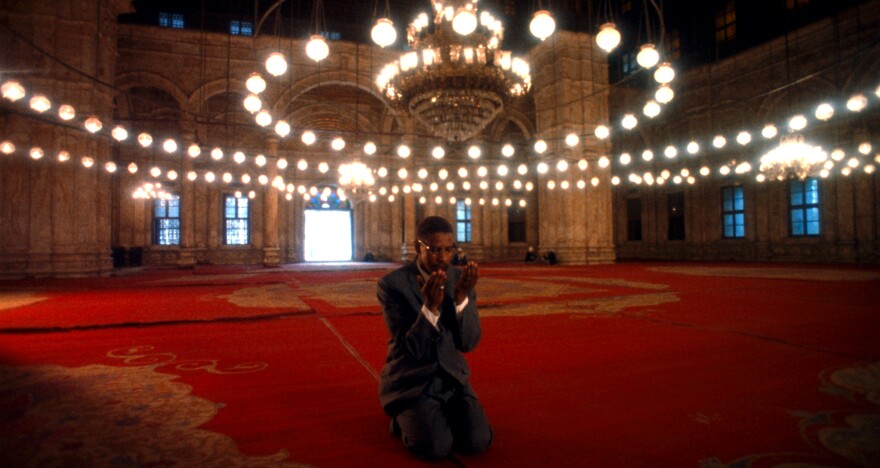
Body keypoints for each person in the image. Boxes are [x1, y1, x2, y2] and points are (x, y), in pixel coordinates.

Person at [377, 216, 492, 460]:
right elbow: (412, 349)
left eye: (448, 250)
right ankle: (402, 417)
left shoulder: (458, 279)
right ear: (418, 247)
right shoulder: (393, 285)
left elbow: (469, 343)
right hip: (413, 380)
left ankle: (438, 413)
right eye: (435, 250)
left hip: (451, 377)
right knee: (436, 448)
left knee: (478, 441)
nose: (443, 258)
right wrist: (429, 308)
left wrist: (461, 297)